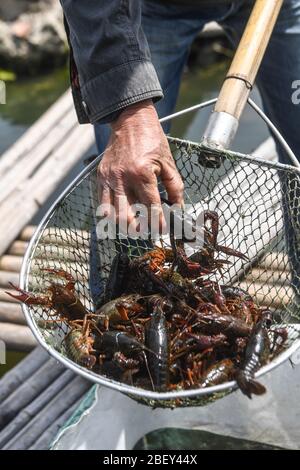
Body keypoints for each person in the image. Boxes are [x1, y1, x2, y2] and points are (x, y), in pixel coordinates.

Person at [60, 1, 300, 266]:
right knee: (127, 188)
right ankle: (123, 298)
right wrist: (129, 109)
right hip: (148, 9)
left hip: (278, 6)